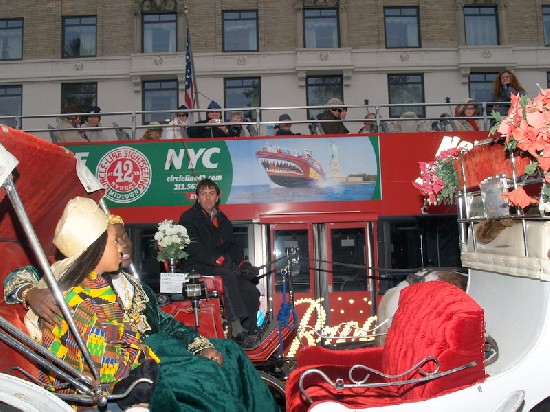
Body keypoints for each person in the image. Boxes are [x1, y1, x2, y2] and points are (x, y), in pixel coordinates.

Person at [4, 197, 278, 411]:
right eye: (116, 239)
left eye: (124, 238)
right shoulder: (67, 280)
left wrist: (200, 344)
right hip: (130, 366)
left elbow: (165, 322)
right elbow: (106, 359)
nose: (124, 245)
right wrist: (30, 293)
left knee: (229, 350)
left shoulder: (132, 285)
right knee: (205, 378)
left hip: (148, 352)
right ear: (97, 246)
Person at [178, 178, 261, 346]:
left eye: (211, 193)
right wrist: (219, 260)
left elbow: (232, 246)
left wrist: (244, 264)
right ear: (197, 197)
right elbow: (193, 248)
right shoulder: (188, 217)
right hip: (196, 265)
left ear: (217, 197)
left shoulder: (223, 219)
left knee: (251, 290)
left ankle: (249, 330)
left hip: (220, 266)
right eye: (203, 194)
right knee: (227, 274)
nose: (207, 198)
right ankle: (237, 331)